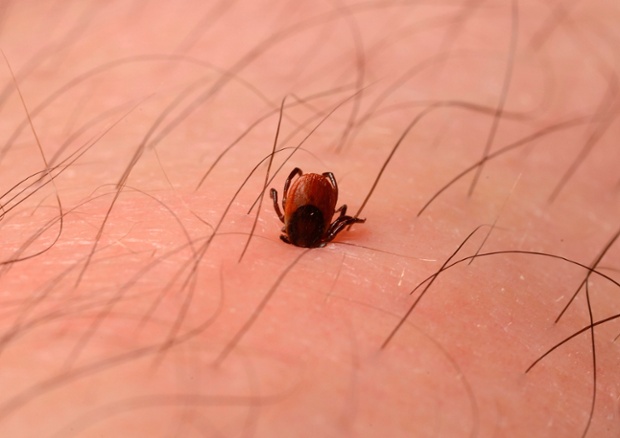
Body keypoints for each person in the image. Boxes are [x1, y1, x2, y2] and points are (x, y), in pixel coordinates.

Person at [0, 0, 618, 436]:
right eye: (313, 223)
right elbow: (336, 213)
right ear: (316, 221)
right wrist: (332, 220)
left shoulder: (302, 214)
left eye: (305, 222)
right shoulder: (322, 218)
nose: (309, 227)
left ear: (302, 218)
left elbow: (314, 211)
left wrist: (304, 210)